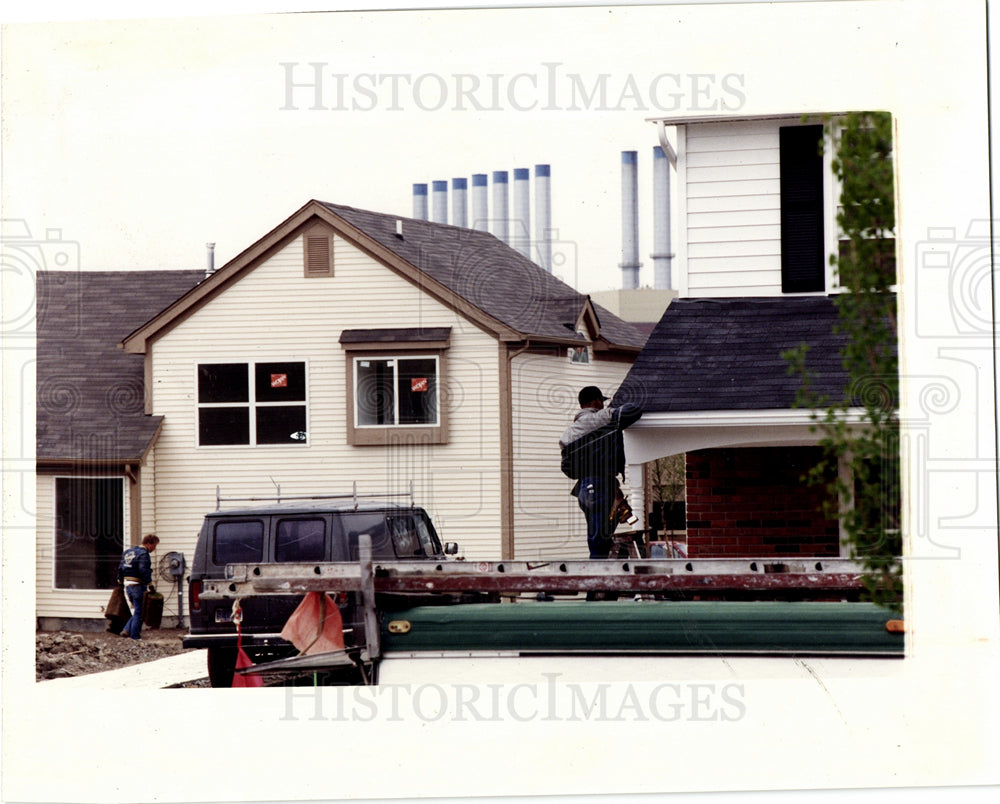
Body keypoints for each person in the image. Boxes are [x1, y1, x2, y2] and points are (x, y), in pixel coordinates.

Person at [559, 386, 642, 559]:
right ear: (597, 401)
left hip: (585, 487)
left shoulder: (569, 433)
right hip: (598, 485)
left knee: (598, 535)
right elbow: (633, 410)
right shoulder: (600, 418)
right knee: (599, 538)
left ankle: (600, 574)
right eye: (602, 403)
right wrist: (614, 410)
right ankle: (597, 579)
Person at [117, 534, 159, 640]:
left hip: (128, 586)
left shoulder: (128, 552)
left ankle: (126, 630)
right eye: (154, 545)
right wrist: (150, 584)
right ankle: (135, 636)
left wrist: (120, 580)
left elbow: (121, 568)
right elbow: (143, 570)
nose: (154, 549)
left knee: (137, 610)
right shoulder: (143, 554)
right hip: (137, 586)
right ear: (149, 544)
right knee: (140, 612)